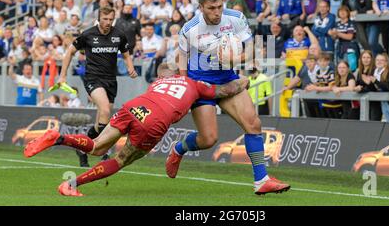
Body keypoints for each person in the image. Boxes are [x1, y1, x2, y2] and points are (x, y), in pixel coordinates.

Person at [23, 64, 272, 197]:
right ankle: (72, 184)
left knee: (98, 145)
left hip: (135, 107)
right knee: (120, 160)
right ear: (179, 73)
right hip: (153, 121)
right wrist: (244, 81)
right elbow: (224, 92)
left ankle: (60, 138)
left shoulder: (158, 82)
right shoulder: (194, 84)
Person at [172, 0, 290, 194]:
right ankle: (179, 148)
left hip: (228, 80)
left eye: (219, 6)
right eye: (211, 8)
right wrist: (184, 87)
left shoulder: (235, 18)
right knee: (208, 139)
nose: (216, 12)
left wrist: (235, 58)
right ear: (201, 7)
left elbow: (252, 49)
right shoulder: (190, 29)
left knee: (253, 124)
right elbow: (181, 59)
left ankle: (261, 180)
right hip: (201, 85)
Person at [58, 6, 138, 167]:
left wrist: (130, 66)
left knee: (102, 121)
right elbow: (69, 52)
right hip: (93, 78)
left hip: (111, 81)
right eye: (105, 19)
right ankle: (105, 152)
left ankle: (82, 149)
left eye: (110, 19)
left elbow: (126, 52)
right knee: (106, 111)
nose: (108, 22)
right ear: (99, 18)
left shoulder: (118, 35)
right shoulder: (88, 34)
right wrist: (62, 75)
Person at [371, 53, 389, 123]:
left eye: (382, 60)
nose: (379, 62)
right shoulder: (374, 72)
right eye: (377, 60)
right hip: (383, 101)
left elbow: (388, 86)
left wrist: (376, 81)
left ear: (386, 62)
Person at [354, 50, 382, 121]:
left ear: (372, 59)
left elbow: (374, 87)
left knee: (374, 123)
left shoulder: (375, 70)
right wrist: (357, 87)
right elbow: (358, 83)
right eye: (364, 57)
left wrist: (361, 89)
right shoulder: (360, 71)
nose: (366, 59)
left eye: (368, 57)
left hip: (375, 102)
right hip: (364, 101)